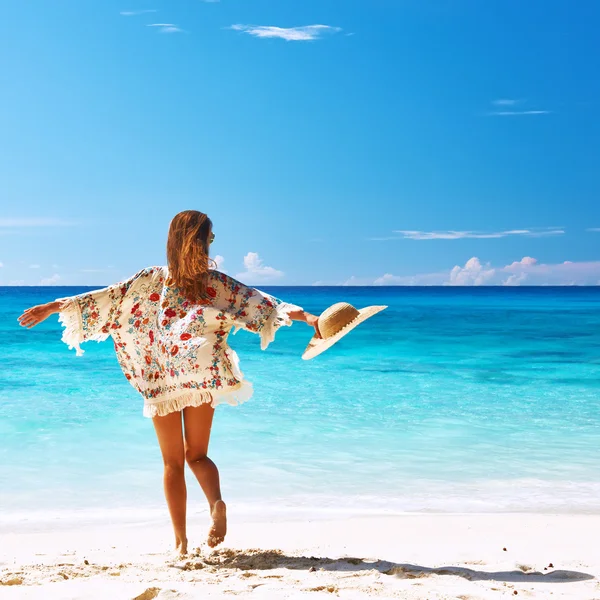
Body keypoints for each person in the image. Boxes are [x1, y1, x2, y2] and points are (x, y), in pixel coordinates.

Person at [18, 210, 320, 555]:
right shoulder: (215, 282)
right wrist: (310, 317)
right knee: (199, 455)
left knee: (172, 463)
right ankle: (216, 503)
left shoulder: (150, 279)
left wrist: (53, 306)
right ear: (204, 241)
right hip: (199, 370)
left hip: (162, 379)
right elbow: (262, 303)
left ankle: (180, 542)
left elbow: (106, 300)